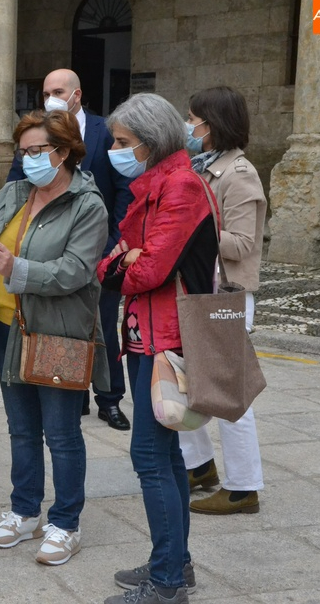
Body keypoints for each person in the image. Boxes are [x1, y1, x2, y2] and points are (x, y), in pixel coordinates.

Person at [0, 109, 108, 567]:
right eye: (23, 152)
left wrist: (14, 268)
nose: (27, 160)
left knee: (61, 433)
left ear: (63, 152)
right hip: (8, 328)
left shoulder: (87, 204)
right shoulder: (16, 191)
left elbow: (76, 272)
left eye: (36, 151)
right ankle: (24, 510)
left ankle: (65, 522)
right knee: (21, 428)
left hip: (58, 331)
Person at [97, 93, 218, 604]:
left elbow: (145, 270)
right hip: (146, 334)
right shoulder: (154, 186)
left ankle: (167, 583)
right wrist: (126, 262)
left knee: (151, 454)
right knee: (165, 455)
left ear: (152, 141)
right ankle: (175, 562)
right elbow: (109, 267)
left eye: (124, 143)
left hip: (168, 338)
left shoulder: (181, 188)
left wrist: (128, 262)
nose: (117, 151)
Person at [8, 69, 132, 430]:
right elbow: (17, 187)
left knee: (104, 325)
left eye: (58, 91)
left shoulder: (104, 131)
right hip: (47, 252)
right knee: (62, 328)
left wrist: (111, 244)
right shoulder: (35, 139)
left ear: (77, 94)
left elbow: (124, 189)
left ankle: (109, 399)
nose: (51, 98)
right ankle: (71, 392)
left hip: (100, 247)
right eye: (46, 92)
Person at [179, 85, 266, 515]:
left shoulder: (239, 174)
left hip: (225, 295)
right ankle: (199, 466)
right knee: (186, 382)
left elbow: (244, 242)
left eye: (193, 118)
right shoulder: (198, 167)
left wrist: (193, 228)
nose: (188, 125)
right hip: (196, 290)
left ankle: (243, 486)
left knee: (231, 393)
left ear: (212, 125)